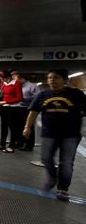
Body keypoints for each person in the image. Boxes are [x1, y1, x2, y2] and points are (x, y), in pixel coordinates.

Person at [23, 69, 86, 201]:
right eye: (50, 78)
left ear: (65, 80)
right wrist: (27, 127)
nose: (52, 80)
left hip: (70, 134)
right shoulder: (43, 94)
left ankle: (62, 189)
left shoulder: (76, 94)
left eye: (56, 78)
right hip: (48, 133)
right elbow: (33, 112)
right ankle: (52, 178)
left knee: (66, 163)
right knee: (46, 158)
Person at [0, 69, 23, 153]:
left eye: (2, 78)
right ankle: (2, 144)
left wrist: (6, 102)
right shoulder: (4, 83)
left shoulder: (17, 83)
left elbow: (20, 98)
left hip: (13, 108)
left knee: (13, 127)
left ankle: (11, 146)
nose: (1, 80)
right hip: (4, 107)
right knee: (3, 127)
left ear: (7, 77)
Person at [11, 69, 39, 151]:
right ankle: (20, 143)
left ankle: (29, 145)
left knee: (28, 126)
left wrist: (23, 99)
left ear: (21, 78)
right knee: (19, 127)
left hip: (27, 109)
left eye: (16, 79)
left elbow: (37, 98)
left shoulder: (32, 86)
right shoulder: (16, 86)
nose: (15, 81)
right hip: (17, 108)